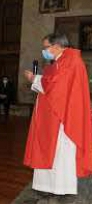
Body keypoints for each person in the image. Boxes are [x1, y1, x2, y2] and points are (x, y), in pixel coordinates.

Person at [24, 33, 92, 195]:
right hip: (56, 116)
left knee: (60, 151)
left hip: (62, 118)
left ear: (56, 46)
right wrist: (38, 79)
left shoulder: (70, 61)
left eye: (46, 47)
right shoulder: (62, 61)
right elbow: (53, 80)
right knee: (53, 150)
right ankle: (49, 186)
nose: (44, 51)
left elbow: (56, 88)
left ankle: (59, 187)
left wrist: (34, 79)